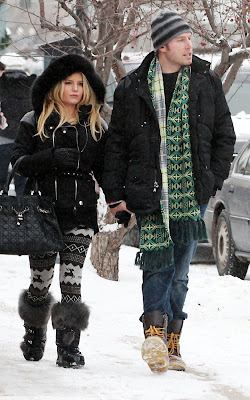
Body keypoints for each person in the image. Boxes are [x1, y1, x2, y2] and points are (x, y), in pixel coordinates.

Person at [102, 10, 236, 373]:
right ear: (163, 45)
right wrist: (116, 196)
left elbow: (224, 134)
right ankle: (154, 338)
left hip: (192, 195)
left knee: (179, 272)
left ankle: (172, 342)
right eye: (181, 40)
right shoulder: (132, 88)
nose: (190, 45)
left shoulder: (205, 81)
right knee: (157, 267)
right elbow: (117, 146)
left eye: (190, 39)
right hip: (149, 193)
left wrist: (213, 179)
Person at [11, 54, 106, 368]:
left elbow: (108, 169)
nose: (76, 89)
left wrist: (119, 199)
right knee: (41, 281)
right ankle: (34, 331)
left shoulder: (95, 123)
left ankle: (68, 348)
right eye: (69, 83)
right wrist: (51, 158)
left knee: (72, 279)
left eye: (80, 83)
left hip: (80, 212)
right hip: (42, 213)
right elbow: (19, 163)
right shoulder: (34, 119)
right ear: (55, 85)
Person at [0, 61, 36, 195]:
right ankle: (23, 209)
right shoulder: (30, 86)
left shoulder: (2, 84)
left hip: (2, 138)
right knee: (23, 179)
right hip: (24, 141)